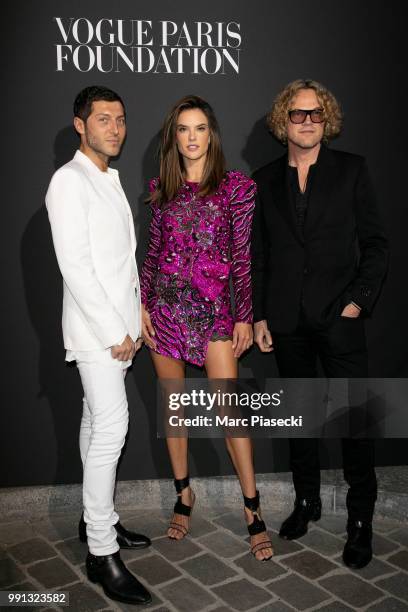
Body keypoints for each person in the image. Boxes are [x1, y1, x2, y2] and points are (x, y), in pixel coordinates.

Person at [251, 79, 388, 569]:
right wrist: (260, 313)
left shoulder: (352, 170)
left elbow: (376, 245)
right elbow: (259, 254)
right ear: (282, 121)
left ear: (325, 119)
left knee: (356, 421)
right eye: (297, 114)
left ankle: (359, 521)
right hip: (287, 321)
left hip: (340, 319)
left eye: (314, 115)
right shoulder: (264, 179)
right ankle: (306, 502)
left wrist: (357, 301)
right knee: (298, 419)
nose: (306, 122)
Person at [140, 95, 273, 561]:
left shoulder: (235, 188)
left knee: (229, 410)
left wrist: (243, 314)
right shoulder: (161, 190)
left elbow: (242, 257)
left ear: (211, 134)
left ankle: (252, 508)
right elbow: (152, 255)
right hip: (167, 308)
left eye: (199, 128)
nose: (191, 137)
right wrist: (143, 306)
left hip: (216, 310)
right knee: (174, 407)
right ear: (172, 137)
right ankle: (183, 494)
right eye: (182, 129)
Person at [46, 86, 151, 605]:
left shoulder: (105, 178)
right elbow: (77, 269)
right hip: (98, 335)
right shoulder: (68, 181)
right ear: (80, 125)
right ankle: (102, 554)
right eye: (103, 119)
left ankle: (96, 528)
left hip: (118, 332)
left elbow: (120, 266)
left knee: (95, 421)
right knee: (113, 427)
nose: (115, 128)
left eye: (121, 119)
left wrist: (136, 319)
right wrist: (116, 333)